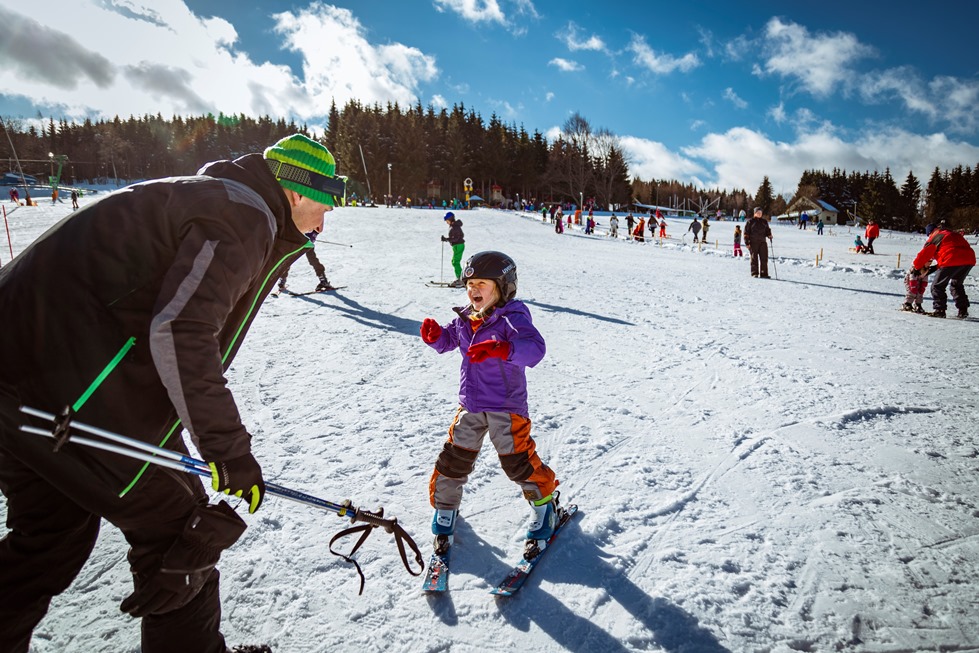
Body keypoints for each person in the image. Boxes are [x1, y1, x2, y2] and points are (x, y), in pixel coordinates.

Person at [0, 133, 345, 653]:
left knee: (53, 534)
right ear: (296, 191)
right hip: (69, 387)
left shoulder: (215, 196)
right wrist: (228, 450)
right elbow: (181, 331)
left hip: (29, 381)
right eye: (325, 204)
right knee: (184, 534)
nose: (324, 222)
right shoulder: (243, 213)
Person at [419, 251, 561, 561]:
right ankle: (445, 510)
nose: (473, 289)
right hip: (471, 404)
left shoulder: (512, 316)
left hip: (506, 408)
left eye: (481, 283)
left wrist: (504, 348)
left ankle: (545, 506)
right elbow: (447, 341)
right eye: (469, 284)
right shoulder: (467, 317)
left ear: (502, 286)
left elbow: (535, 349)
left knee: (517, 462)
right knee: (453, 459)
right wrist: (434, 337)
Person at [911, 220, 976, 318]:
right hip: (969, 259)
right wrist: (935, 267)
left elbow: (924, 255)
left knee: (937, 286)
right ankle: (963, 310)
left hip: (951, 259)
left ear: (930, 232)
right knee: (956, 285)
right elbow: (951, 249)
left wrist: (916, 267)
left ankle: (940, 310)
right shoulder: (951, 233)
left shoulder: (935, 236)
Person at [744, 207, 773, 278]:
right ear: (755, 213)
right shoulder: (750, 222)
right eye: (758, 213)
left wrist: (769, 235)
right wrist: (747, 242)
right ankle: (754, 273)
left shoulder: (764, 222)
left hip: (763, 242)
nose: (759, 214)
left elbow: (767, 230)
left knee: (764, 258)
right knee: (754, 258)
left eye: (760, 213)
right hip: (753, 242)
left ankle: (764, 273)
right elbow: (746, 233)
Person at [441, 211, 465, 287]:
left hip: (459, 245)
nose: (446, 222)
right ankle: (460, 278)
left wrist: (446, 239)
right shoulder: (453, 226)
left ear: (450, 219)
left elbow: (456, 238)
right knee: (454, 261)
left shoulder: (455, 227)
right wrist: (447, 239)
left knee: (455, 262)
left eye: (446, 220)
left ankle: (461, 279)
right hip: (457, 246)